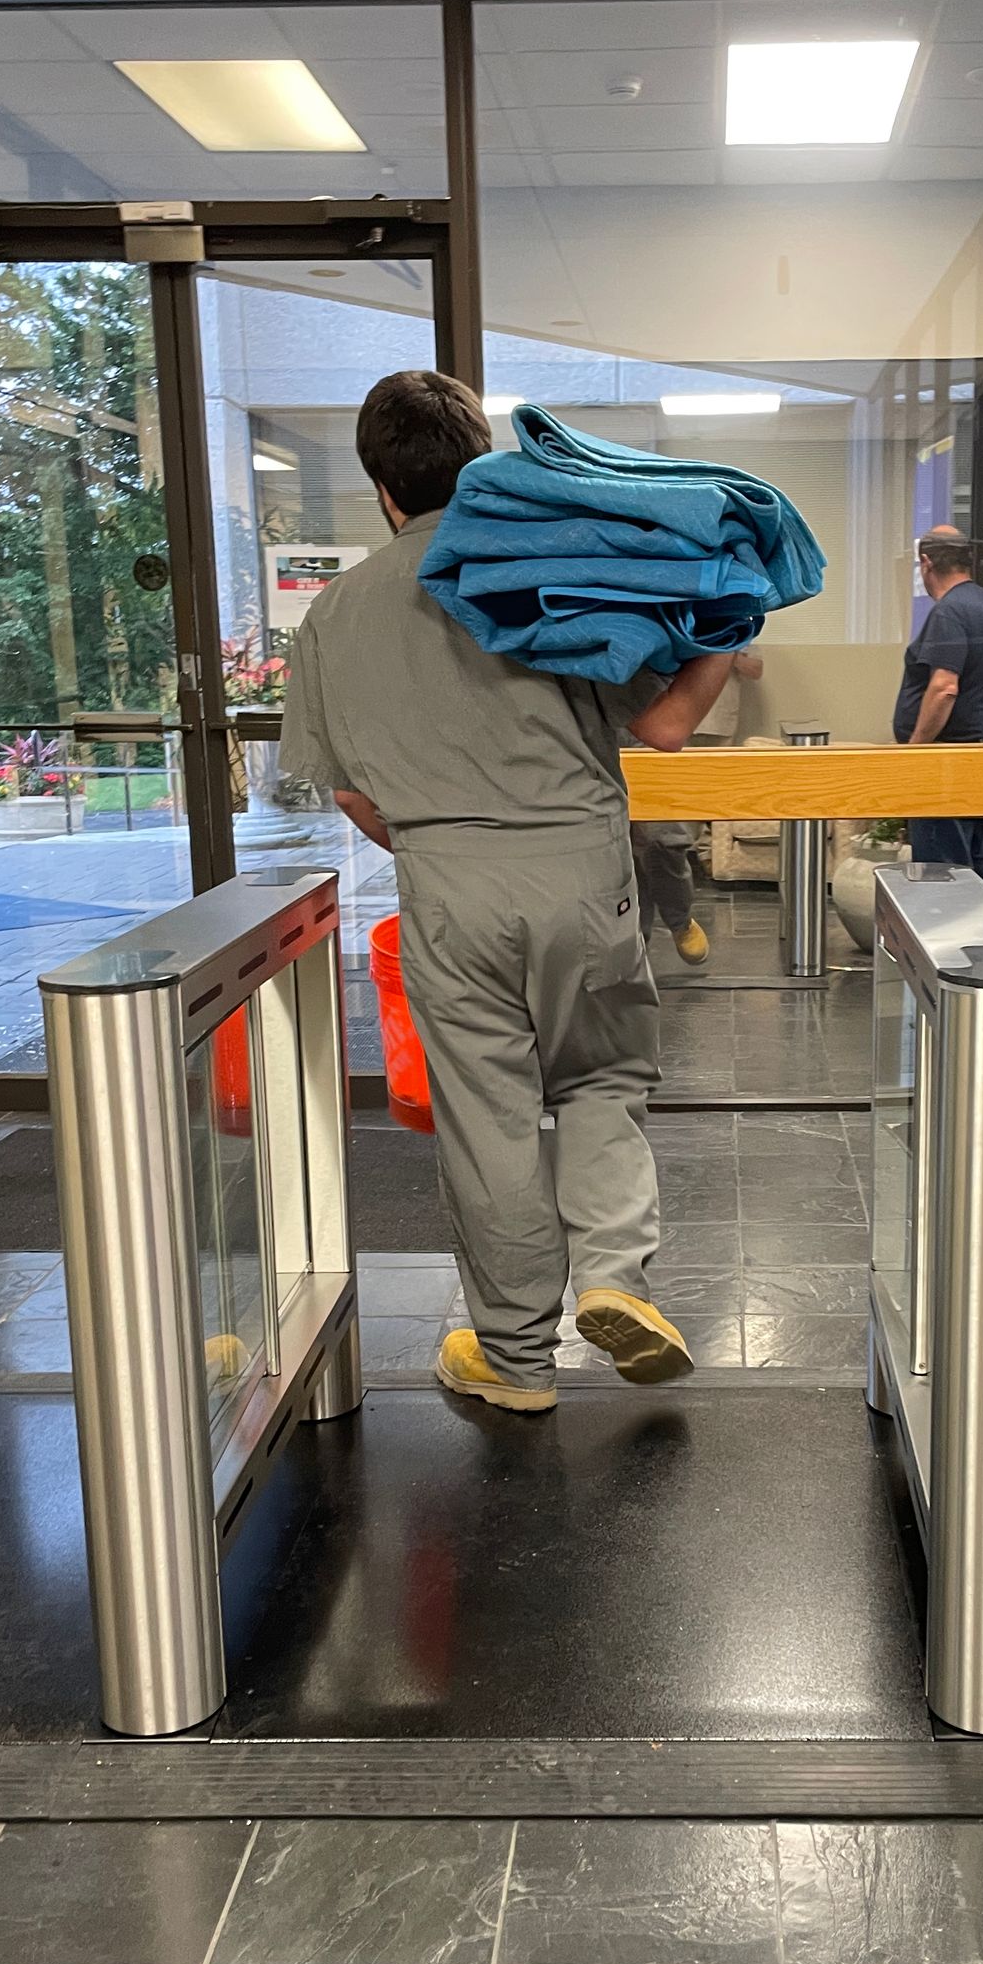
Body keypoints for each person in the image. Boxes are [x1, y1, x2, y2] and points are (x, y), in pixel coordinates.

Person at [279, 370, 736, 1414]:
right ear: (479, 459)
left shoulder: (335, 614)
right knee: (603, 1078)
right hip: (580, 870)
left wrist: (440, 832)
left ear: (381, 489)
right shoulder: (540, 574)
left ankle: (518, 1363)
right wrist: (730, 642)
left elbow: (351, 792)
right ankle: (617, 1274)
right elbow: (663, 725)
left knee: (486, 1119)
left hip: (446, 882)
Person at [629, 648, 764, 968]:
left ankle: (679, 920)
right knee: (623, 850)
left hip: (655, 724)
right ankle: (636, 949)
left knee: (664, 840)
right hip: (599, 724)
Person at [892, 528, 983, 881]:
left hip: (946, 761)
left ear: (926, 563)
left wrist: (915, 750)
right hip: (980, 754)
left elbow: (944, 687)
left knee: (945, 876)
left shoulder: (950, 611)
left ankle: (950, 938)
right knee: (973, 869)